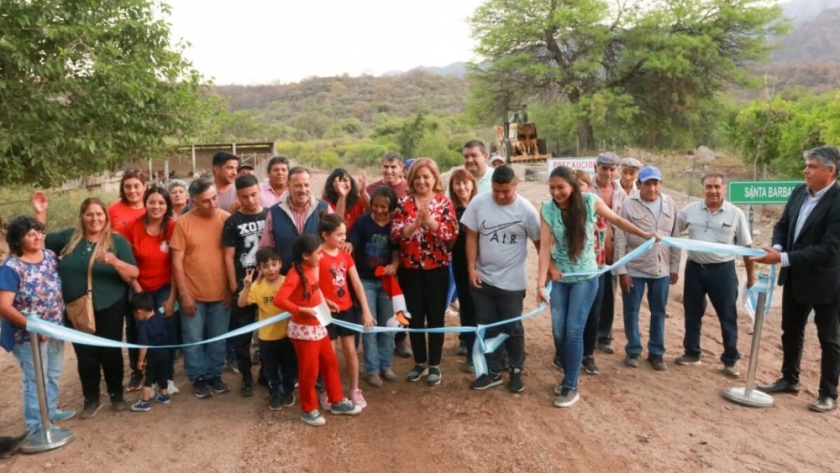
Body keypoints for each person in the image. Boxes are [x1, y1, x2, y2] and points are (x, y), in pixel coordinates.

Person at [538, 166, 654, 407]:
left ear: (572, 186)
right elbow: (544, 248)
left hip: (586, 277)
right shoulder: (547, 209)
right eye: (552, 188)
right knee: (559, 332)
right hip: (560, 279)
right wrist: (542, 281)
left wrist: (645, 234)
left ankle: (571, 385)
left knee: (573, 330)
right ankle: (569, 370)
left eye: (561, 187)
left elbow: (618, 220)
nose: (556, 192)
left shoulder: (591, 202)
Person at [33, 193, 139, 418]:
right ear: (82, 217)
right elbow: (39, 240)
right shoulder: (70, 238)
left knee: (110, 352)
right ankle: (91, 399)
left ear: (106, 216)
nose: (94, 218)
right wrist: (40, 212)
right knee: (85, 353)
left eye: (99, 214)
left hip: (110, 304)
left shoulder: (117, 242)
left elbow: (133, 273)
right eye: (89, 214)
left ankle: (116, 395)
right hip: (76, 308)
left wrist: (114, 261)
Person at [755, 146, 840, 413]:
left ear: (830, 170)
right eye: (806, 165)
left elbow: (829, 248)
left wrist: (782, 259)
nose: (806, 171)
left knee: (829, 340)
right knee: (791, 332)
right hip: (794, 279)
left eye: (812, 167)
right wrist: (778, 248)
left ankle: (828, 393)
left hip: (827, 283)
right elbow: (782, 225)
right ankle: (789, 379)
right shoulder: (798, 192)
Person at [464, 166, 540, 393]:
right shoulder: (479, 203)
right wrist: (471, 268)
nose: (499, 196)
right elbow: (471, 236)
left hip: (512, 283)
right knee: (487, 326)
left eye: (505, 191)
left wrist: (544, 277)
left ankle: (516, 369)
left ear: (515, 186)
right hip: (483, 278)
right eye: (496, 191)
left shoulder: (526, 210)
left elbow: (540, 244)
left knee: (512, 327)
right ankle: (493, 371)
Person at [273, 234, 362, 426]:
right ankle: (308, 409)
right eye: (318, 253)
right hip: (304, 331)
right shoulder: (294, 274)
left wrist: (325, 301)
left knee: (330, 363)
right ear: (306, 255)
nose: (322, 257)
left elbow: (315, 290)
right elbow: (279, 299)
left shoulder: (312, 267)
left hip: (318, 326)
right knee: (309, 371)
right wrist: (300, 310)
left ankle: (336, 400)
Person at [676, 172, 755, 376]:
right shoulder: (690, 211)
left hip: (723, 271)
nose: (713, 191)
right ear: (702, 189)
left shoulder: (735, 214)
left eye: (717, 187)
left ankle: (730, 360)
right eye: (709, 187)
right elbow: (671, 231)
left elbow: (747, 247)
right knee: (692, 312)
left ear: (724, 189)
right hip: (694, 269)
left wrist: (751, 277)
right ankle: (692, 353)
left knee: (727, 315)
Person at [0, 216, 74, 433]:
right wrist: (34, 328)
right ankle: (37, 425)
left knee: (51, 373)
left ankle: (49, 410)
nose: (38, 237)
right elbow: (4, 307)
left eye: (39, 233)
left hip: (54, 330)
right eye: (30, 234)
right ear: (18, 239)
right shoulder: (11, 267)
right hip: (27, 337)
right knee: (35, 379)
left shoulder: (50, 256)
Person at [391, 158, 458, 385]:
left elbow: (450, 235)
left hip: (437, 270)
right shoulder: (403, 203)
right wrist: (415, 223)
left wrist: (429, 221)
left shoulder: (444, 203)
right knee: (415, 317)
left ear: (435, 179)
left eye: (426, 177)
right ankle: (419, 362)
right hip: (409, 270)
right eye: (417, 177)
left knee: (436, 317)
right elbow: (396, 235)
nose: (422, 181)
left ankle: (435, 365)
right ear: (411, 180)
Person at [614, 165, 680, 371]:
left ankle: (656, 352)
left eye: (656, 183)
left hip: (661, 268)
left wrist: (675, 266)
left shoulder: (669, 203)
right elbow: (620, 239)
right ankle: (633, 349)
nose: (652, 188)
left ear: (660, 184)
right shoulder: (628, 204)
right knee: (631, 310)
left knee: (658, 310)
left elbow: (675, 237)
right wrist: (622, 271)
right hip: (634, 268)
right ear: (639, 184)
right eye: (648, 184)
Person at [170, 178, 231, 398]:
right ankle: (198, 377)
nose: (213, 204)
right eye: (206, 201)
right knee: (193, 339)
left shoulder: (226, 220)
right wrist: (184, 295)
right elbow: (176, 262)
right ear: (194, 201)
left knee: (218, 337)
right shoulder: (183, 223)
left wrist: (230, 289)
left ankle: (215, 374)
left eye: (215, 198)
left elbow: (231, 259)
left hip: (221, 293)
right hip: (193, 294)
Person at [126, 186, 180, 395]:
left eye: (161, 203)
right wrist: (140, 294)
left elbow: (177, 265)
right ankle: (145, 376)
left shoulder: (173, 227)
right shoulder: (133, 227)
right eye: (152, 202)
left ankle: (166, 379)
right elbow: (128, 261)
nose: (156, 206)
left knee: (167, 334)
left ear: (167, 206)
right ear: (145, 203)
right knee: (142, 334)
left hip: (166, 288)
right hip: (138, 288)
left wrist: (172, 297)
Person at [318, 213, 375, 407]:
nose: (343, 238)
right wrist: (324, 301)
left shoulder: (345, 255)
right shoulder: (318, 256)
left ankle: (354, 390)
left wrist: (366, 311)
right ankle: (329, 391)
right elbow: (312, 285)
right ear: (325, 235)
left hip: (347, 309)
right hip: (325, 313)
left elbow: (357, 283)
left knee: (351, 350)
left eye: (344, 234)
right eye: (339, 235)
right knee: (329, 355)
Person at [348, 186, 400, 387]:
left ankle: (386, 365)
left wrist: (394, 265)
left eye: (383, 207)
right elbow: (352, 242)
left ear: (391, 207)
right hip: (365, 281)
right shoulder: (362, 222)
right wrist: (349, 245)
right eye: (375, 206)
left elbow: (396, 251)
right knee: (369, 325)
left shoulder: (394, 225)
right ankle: (372, 369)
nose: (378, 210)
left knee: (387, 325)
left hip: (387, 282)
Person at [223, 174, 268, 397]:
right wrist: (234, 286)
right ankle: (246, 377)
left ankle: (267, 373)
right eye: (244, 197)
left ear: (259, 191)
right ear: (237, 197)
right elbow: (228, 257)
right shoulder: (232, 221)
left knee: (270, 332)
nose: (250, 200)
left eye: (253, 194)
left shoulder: (270, 215)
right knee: (243, 336)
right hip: (245, 284)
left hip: (268, 283)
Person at [238, 248, 297, 410]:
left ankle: (288, 391)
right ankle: (275, 392)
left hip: (288, 335)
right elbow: (241, 303)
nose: (271, 269)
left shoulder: (288, 282)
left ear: (280, 264)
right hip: (267, 338)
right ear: (260, 268)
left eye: (274, 264)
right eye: (266, 266)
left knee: (289, 367)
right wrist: (247, 287)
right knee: (270, 369)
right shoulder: (257, 287)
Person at [365, 152, 412, 358]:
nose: (389, 171)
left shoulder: (408, 189)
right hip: (379, 252)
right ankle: (381, 340)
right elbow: (365, 217)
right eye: (386, 167)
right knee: (383, 300)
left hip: (404, 251)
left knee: (402, 299)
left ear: (401, 168)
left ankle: (400, 339)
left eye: (394, 167)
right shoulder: (371, 190)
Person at [259, 167, 330, 276]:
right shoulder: (274, 212)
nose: (303, 190)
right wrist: (263, 275)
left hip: (319, 276)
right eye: (297, 186)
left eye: (306, 185)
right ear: (288, 185)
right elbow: (266, 248)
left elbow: (333, 240)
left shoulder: (324, 208)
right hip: (285, 278)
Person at [575, 171, 611, 376]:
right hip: (574, 273)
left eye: (583, 184)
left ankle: (588, 354)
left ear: (589, 187)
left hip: (598, 270)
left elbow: (607, 239)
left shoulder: (599, 211)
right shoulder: (565, 212)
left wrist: (612, 264)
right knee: (573, 316)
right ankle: (565, 353)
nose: (579, 189)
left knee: (593, 314)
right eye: (576, 185)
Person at [591, 152, 626, 355]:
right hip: (591, 249)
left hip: (613, 250)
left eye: (612, 169)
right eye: (604, 168)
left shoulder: (621, 192)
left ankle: (604, 336)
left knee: (609, 296)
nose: (608, 173)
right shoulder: (586, 186)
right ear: (597, 167)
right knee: (589, 293)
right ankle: (589, 334)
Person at [447, 168, 478, 370]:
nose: (462, 187)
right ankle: (468, 343)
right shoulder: (450, 209)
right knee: (466, 303)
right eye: (457, 184)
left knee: (480, 304)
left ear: (473, 184)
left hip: (481, 262)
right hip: (459, 261)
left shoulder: (481, 206)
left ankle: (479, 344)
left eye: (465, 182)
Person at [129, 293, 172, 412]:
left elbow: (144, 346)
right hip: (165, 353)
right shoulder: (159, 316)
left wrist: (140, 361)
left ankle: (145, 401)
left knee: (148, 379)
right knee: (163, 374)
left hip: (153, 357)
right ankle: (164, 395)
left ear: (139, 312)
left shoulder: (144, 326)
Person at [322, 168, 370, 232]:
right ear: (332, 185)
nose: (342, 184)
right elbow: (336, 226)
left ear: (351, 183)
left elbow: (374, 213)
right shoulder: (325, 203)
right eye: (339, 181)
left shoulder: (357, 200)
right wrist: (342, 196)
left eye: (345, 180)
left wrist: (363, 192)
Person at [108, 169, 148, 235]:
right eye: (128, 187)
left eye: (136, 186)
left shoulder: (153, 209)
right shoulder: (113, 210)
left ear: (144, 186)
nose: (132, 191)